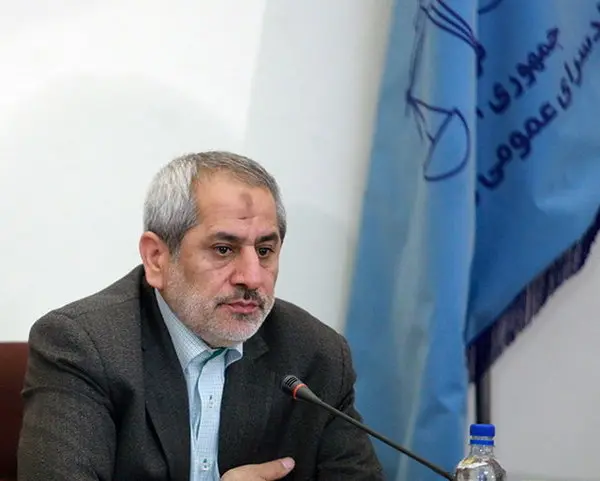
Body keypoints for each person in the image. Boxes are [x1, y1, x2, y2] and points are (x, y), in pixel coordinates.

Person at [17, 151, 384, 481]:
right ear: (157, 258)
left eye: (265, 250)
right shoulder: (84, 347)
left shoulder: (316, 355)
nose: (252, 277)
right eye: (223, 249)